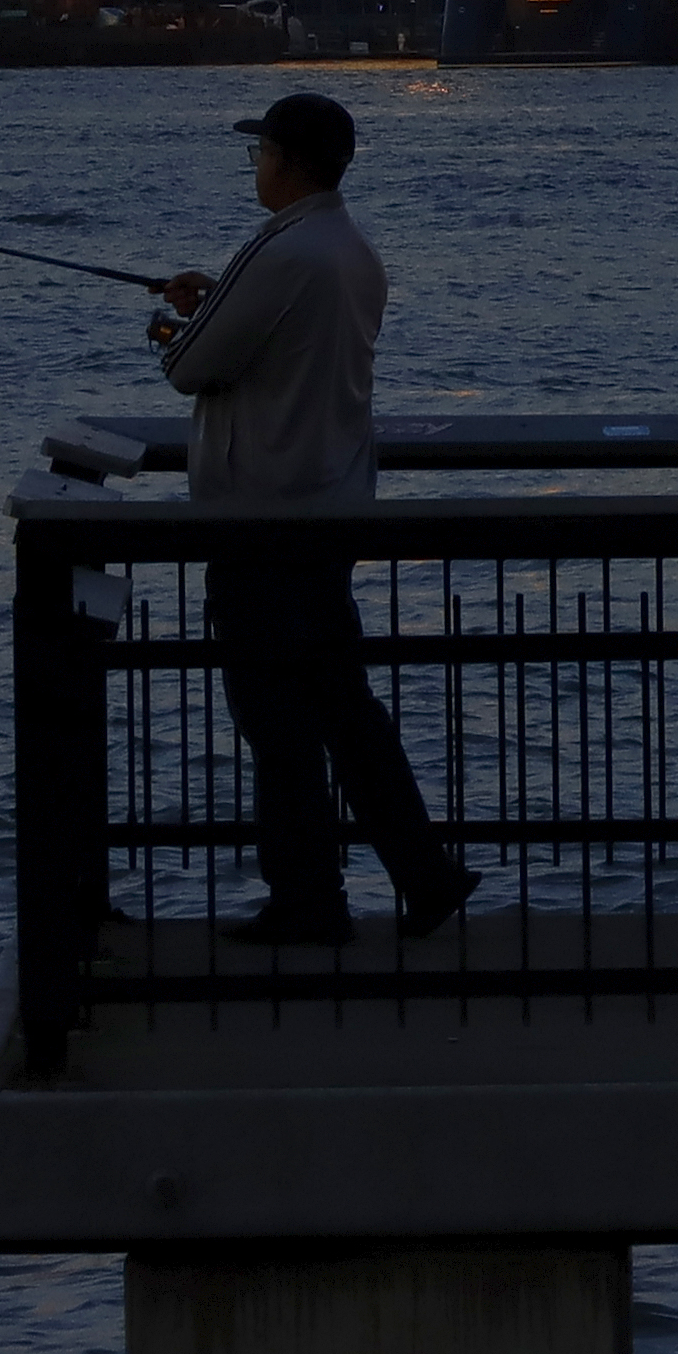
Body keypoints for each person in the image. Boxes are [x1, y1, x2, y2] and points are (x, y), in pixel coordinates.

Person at [148, 88, 476, 946]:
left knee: (274, 718)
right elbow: (275, 342)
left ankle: (308, 899)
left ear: (287, 162)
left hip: (259, 517)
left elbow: (191, 369)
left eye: (260, 152)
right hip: (329, 505)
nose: (255, 166)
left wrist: (170, 329)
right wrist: (216, 301)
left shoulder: (283, 249)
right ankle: (424, 873)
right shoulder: (350, 251)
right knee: (340, 706)